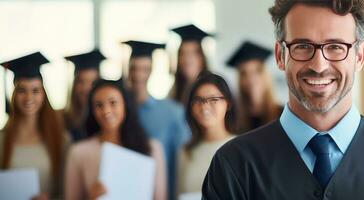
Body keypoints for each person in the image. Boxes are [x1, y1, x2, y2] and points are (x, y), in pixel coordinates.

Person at [202, 0, 364, 199]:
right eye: (303, 46)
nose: (319, 65)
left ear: (359, 56)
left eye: (337, 47)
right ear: (280, 55)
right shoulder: (233, 166)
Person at [64, 79, 167, 200]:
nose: (106, 111)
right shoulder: (79, 152)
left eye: (113, 103)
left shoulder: (152, 148)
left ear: (125, 105)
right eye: (99, 105)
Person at [122, 40, 190, 200]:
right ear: (128, 71)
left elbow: (181, 163)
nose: (138, 75)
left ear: (151, 70)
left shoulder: (172, 112)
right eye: (134, 68)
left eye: (144, 69)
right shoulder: (119, 112)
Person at [0, 52, 68, 199]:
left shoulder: (61, 139)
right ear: (13, 95)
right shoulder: (2, 140)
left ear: (43, 95)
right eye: (21, 90)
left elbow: (70, 192)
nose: (28, 98)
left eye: (35, 90)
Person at [177, 73, 237, 198]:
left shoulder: (240, 147)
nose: (204, 107)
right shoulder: (185, 152)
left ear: (228, 103)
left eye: (213, 100)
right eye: (198, 100)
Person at [226, 41, 283, 132]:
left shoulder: (284, 115)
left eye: (257, 71)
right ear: (239, 80)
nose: (251, 78)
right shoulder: (232, 118)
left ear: (265, 75)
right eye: (244, 73)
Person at [63, 49, 105, 142]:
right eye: (81, 82)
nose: (86, 89)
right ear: (74, 85)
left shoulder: (104, 119)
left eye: (92, 83)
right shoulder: (63, 119)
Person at [169, 24, 212, 105]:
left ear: (201, 57)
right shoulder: (174, 90)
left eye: (192, 53)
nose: (187, 59)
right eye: (183, 53)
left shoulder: (213, 87)